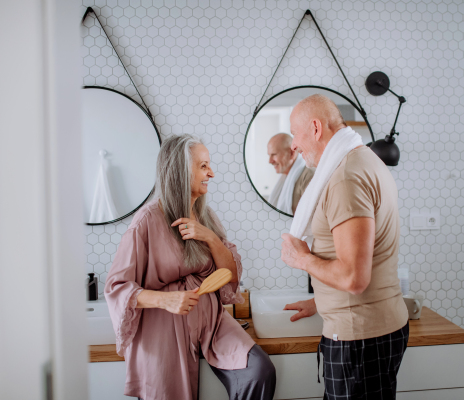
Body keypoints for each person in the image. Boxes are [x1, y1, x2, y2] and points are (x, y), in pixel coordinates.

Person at [104, 134, 276, 400]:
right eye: (203, 166)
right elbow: (117, 287)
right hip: (162, 329)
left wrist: (207, 235)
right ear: (181, 171)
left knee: (259, 371)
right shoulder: (146, 221)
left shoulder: (206, 216)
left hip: (213, 323)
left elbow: (229, 272)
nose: (212, 173)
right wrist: (166, 300)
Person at [281, 95, 410, 399]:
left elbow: (354, 277)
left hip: (360, 336)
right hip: (370, 329)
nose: (293, 146)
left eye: (295, 134)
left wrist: (303, 259)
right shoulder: (361, 160)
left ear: (315, 128)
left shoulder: (344, 179)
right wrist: (319, 301)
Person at [267, 132, 314, 214]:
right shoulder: (284, 178)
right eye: (269, 155)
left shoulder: (308, 175)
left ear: (291, 153)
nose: (270, 161)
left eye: (274, 154)